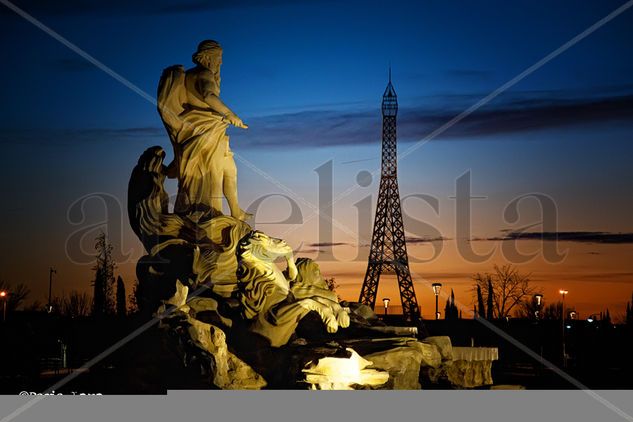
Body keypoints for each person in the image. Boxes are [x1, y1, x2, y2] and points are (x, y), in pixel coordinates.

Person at [158, 40, 250, 221]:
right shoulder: (204, 73)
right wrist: (231, 115)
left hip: (205, 129)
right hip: (205, 130)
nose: (220, 63)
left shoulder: (191, 75)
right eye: (219, 58)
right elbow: (209, 96)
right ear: (209, 57)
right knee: (213, 174)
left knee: (230, 169)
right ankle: (207, 213)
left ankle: (236, 210)